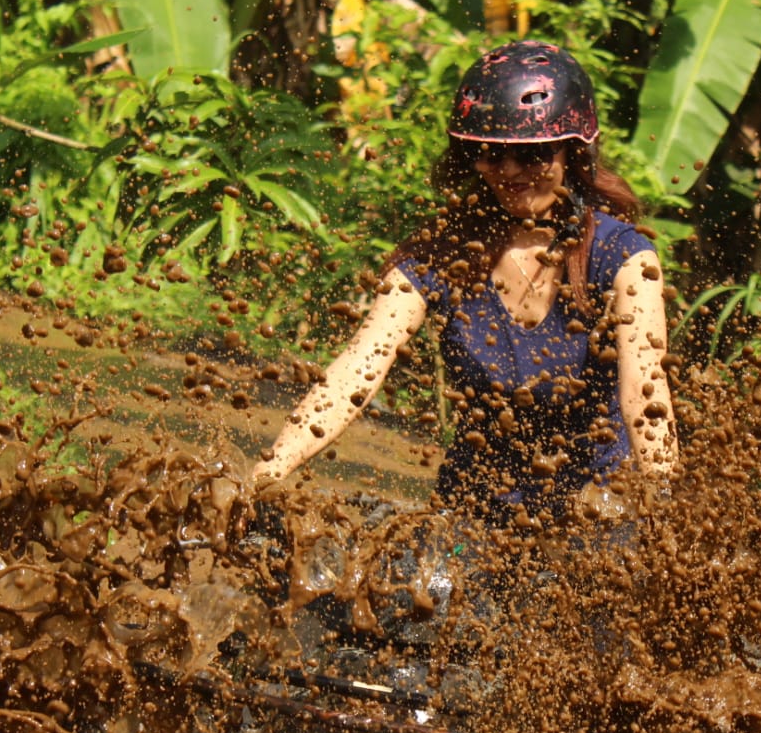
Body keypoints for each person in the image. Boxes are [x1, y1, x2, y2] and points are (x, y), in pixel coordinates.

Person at [252, 41, 678, 529]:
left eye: (531, 155)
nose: (510, 172)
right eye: (491, 153)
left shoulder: (623, 257)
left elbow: (645, 396)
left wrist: (663, 518)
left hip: (593, 517)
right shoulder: (445, 252)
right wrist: (270, 471)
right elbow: (357, 369)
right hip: (472, 518)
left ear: (572, 152)